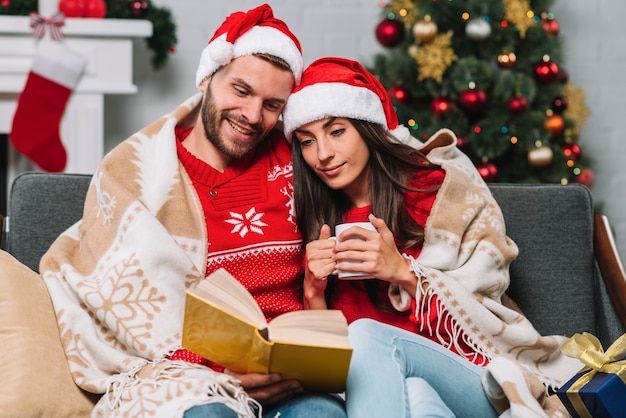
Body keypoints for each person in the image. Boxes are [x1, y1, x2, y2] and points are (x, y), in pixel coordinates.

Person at [38, 5, 346, 418]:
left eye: (272, 105)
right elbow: (125, 306)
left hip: (294, 378)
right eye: (241, 91)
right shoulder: (140, 175)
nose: (253, 116)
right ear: (206, 79)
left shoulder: (301, 159)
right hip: (192, 377)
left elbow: (382, 155)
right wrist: (220, 373)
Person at [281, 57, 583, 417]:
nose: (323, 154)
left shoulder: (435, 196)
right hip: (391, 392)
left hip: (475, 379)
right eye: (307, 141)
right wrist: (314, 290)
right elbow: (332, 371)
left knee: (367, 334)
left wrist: (403, 273)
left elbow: (482, 311)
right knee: (418, 395)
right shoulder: (323, 222)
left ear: (367, 127)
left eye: (337, 131)